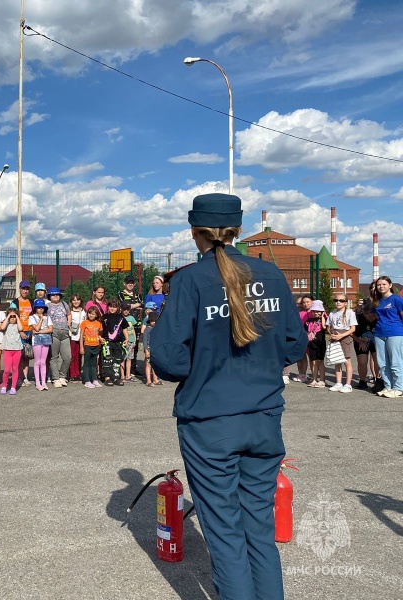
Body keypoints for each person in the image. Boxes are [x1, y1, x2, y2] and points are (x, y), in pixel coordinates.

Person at [150, 193, 308, 600]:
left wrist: (203, 368)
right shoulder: (270, 274)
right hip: (263, 417)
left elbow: (167, 358)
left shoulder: (189, 280)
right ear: (237, 229)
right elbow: (294, 344)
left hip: (210, 421)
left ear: (194, 231)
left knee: (223, 533)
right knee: (258, 528)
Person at [363, 275, 403, 398]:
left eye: (384, 284)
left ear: (390, 285)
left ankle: (399, 388)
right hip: (379, 334)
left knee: (395, 361)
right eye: (379, 285)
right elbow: (372, 317)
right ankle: (388, 386)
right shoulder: (377, 301)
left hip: (395, 333)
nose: (381, 286)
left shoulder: (397, 299)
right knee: (382, 363)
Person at [327, 294, 357, 393]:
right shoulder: (332, 313)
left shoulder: (350, 313)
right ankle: (338, 383)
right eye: (336, 300)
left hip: (345, 337)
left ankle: (348, 384)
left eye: (341, 300)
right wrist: (332, 333)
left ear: (345, 303)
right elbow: (328, 326)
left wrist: (342, 335)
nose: (338, 302)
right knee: (337, 361)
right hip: (335, 337)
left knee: (347, 361)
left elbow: (353, 328)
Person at [352, 299, 378, 391]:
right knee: (362, 362)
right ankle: (362, 381)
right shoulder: (358, 318)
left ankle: (378, 380)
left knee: (377, 360)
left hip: (376, 341)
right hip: (361, 341)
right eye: (369, 315)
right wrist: (359, 341)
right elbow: (351, 333)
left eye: (373, 315)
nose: (372, 317)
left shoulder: (377, 317)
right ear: (364, 313)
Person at [46, 287, 71, 387]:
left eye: (57, 294)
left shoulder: (64, 304)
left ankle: (62, 376)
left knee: (67, 357)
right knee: (54, 357)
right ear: (49, 296)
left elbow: (68, 314)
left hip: (65, 333)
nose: (55, 296)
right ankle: (55, 378)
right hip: (53, 333)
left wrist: (69, 321)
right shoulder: (47, 306)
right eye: (53, 295)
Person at [100, 299, 127, 386]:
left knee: (117, 360)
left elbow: (125, 328)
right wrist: (100, 337)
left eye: (114, 307)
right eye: (111, 306)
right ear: (108, 307)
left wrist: (127, 338)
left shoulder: (121, 317)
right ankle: (107, 378)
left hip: (118, 342)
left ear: (118, 308)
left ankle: (116, 377)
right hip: (107, 342)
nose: (112, 308)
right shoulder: (104, 317)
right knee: (107, 360)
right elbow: (100, 329)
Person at [11, 281, 33, 386]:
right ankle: (18, 377)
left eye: (27, 289)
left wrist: (32, 330)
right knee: (18, 357)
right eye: (23, 288)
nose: (25, 291)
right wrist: (20, 331)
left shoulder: (31, 302)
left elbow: (34, 318)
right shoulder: (15, 302)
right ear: (19, 289)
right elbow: (12, 318)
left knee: (26, 356)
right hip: (19, 332)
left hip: (29, 332)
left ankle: (25, 378)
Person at [28, 299, 53, 391]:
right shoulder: (32, 317)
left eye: (42, 308)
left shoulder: (48, 317)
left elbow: (50, 329)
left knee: (43, 362)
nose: (41, 309)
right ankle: (38, 383)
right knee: (37, 362)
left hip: (46, 340)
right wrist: (41, 319)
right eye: (38, 308)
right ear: (35, 308)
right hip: (37, 342)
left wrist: (39, 332)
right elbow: (36, 328)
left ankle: (43, 382)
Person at [0, 306, 24, 395]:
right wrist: (8, 316)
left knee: (15, 369)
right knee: (6, 369)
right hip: (7, 349)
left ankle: (13, 387)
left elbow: (21, 329)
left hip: (17, 349)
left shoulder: (18, 325)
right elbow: (2, 327)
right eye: (11, 316)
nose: (12, 318)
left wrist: (17, 317)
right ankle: (4, 386)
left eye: (14, 316)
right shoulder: (6, 324)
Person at [305, 300, 327, 388]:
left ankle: (322, 380)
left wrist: (322, 316)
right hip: (311, 343)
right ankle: (314, 379)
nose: (315, 313)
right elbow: (305, 330)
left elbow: (325, 327)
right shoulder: (309, 320)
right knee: (313, 362)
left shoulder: (324, 319)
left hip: (320, 343)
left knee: (320, 361)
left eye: (318, 311)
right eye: (314, 311)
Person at [79, 306, 103, 388]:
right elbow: (81, 335)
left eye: (93, 314)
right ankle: (87, 380)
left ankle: (94, 380)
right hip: (87, 345)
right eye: (89, 313)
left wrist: (101, 340)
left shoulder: (98, 324)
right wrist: (81, 347)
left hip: (96, 346)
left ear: (96, 315)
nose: (91, 315)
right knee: (86, 363)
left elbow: (99, 335)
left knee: (93, 364)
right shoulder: (84, 323)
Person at [292, 295, 313, 382]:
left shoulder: (315, 312)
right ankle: (302, 374)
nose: (305, 304)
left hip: (312, 339)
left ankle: (314, 376)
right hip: (302, 338)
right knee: (301, 357)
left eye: (307, 302)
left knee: (312, 358)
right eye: (303, 302)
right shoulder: (300, 314)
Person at [68, 294, 86, 382]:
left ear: (80, 301)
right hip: (72, 336)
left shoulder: (83, 312)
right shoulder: (69, 311)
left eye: (78, 300)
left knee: (79, 355)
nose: (76, 302)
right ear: (71, 301)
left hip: (81, 337)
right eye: (74, 300)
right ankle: (72, 374)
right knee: (72, 356)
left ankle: (78, 373)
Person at [141, 312, 160, 386]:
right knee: (148, 364)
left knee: (155, 364)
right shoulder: (147, 329)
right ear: (149, 321)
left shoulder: (158, 329)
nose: (154, 322)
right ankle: (148, 380)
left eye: (155, 320)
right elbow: (145, 340)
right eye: (152, 321)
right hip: (148, 348)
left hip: (155, 348)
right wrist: (146, 349)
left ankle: (155, 379)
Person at [121, 304, 138, 382]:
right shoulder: (120, 318)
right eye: (124, 309)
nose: (126, 311)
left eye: (127, 310)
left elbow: (133, 329)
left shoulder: (131, 318)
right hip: (123, 341)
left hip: (131, 340)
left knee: (129, 358)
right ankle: (122, 376)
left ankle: (128, 375)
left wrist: (134, 339)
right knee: (122, 358)